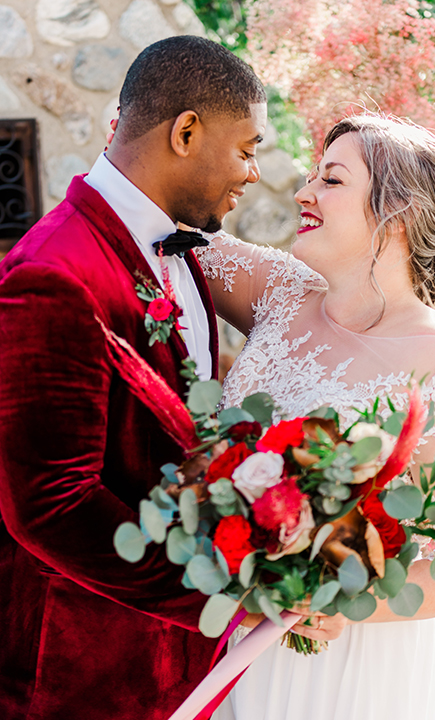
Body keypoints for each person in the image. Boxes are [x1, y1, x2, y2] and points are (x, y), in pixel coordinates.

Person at [0, 36, 269, 720]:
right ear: (186, 131)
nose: (254, 172)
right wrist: (226, 591)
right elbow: (50, 507)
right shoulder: (53, 273)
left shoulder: (182, 252)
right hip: (80, 676)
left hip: (170, 669)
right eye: (246, 148)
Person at [193, 114, 435, 720]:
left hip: (349, 666)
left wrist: (322, 596)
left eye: (331, 180)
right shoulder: (279, 289)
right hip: (228, 635)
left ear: (396, 214)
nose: (304, 192)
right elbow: (155, 230)